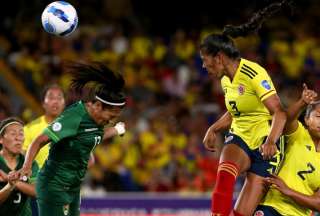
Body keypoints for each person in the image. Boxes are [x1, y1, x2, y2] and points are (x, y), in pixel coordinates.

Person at [201, 1, 291, 215]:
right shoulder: (225, 80)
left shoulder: (253, 73)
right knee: (223, 181)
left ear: (219, 58)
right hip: (240, 137)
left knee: (242, 213)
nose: (204, 66)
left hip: (264, 145)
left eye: (205, 61)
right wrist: (213, 128)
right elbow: (235, 111)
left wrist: (271, 141)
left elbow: (280, 112)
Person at [9, 62, 127, 216]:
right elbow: (39, 140)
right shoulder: (74, 117)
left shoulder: (97, 120)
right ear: (97, 106)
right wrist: (26, 167)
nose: (110, 120)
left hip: (73, 186)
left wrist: (116, 129)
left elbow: (93, 136)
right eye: (111, 116)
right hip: (54, 186)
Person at [255, 84, 320, 216]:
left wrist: (288, 190)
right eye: (319, 116)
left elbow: (318, 203)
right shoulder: (300, 133)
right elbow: (287, 119)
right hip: (272, 206)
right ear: (307, 120)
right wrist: (302, 102)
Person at [0, 117, 39, 216]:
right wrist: (10, 185)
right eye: (13, 134)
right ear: (1, 139)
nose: (18, 138)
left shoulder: (30, 163)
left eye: (21, 134)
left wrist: (14, 182)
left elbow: (37, 192)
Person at [23, 84, 66, 168]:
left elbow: (87, 159)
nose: (55, 101)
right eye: (51, 98)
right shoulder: (29, 129)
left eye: (59, 98)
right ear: (43, 103)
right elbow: (21, 159)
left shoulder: (74, 128)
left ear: (64, 104)